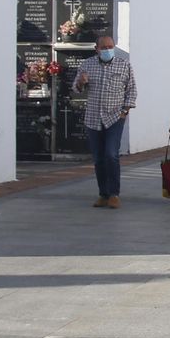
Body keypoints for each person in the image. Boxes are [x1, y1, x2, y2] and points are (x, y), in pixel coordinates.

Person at [73, 34, 136, 209]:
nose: (108, 50)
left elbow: (131, 90)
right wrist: (81, 82)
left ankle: (114, 193)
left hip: (114, 117)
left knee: (111, 154)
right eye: (104, 47)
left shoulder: (124, 65)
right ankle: (103, 193)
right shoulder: (87, 65)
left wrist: (125, 111)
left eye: (111, 46)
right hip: (93, 118)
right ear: (97, 49)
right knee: (99, 158)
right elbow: (76, 89)